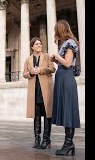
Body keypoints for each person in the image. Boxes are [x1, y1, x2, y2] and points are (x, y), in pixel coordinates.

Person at [50, 20, 80, 156]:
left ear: (60, 30)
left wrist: (56, 56)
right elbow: (64, 62)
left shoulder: (70, 43)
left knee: (68, 109)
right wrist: (56, 60)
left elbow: (68, 63)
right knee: (66, 109)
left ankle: (68, 143)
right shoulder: (65, 44)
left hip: (66, 78)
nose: (55, 34)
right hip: (62, 77)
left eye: (56, 31)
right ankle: (69, 143)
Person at [23, 37, 55, 149]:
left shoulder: (47, 56)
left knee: (47, 115)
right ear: (32, 46)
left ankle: (46, 140)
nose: (39, 45)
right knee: (36, 115)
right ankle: (37, 139)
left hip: (45, 89)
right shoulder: (28, 59)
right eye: (37, 44)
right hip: (34, 90)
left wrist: (40, 70)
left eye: (40, 44)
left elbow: (52, 69)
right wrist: (31, 73)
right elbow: (24, 73)